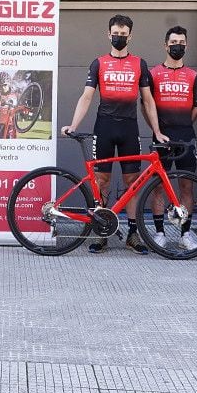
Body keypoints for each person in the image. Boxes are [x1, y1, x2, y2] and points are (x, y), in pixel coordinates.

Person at [62, 14, 165, 254]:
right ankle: (102, 232)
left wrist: (157, 131)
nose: (119, 37)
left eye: (123, 34)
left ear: (130, 35)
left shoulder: (139, 64)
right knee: (102, 182)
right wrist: (73, 124)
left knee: (132, 183)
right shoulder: (98, 63)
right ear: (109, 35)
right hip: (104, 127)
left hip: (129, 128)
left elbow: (148, 101)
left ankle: (132, 234)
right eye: (115, 34)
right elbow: (86, 96)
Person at [147, 26, 197, 250]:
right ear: (165, 45)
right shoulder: (153, 73)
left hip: (185, 135)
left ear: (186, 45)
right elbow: (147, 105)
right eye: (173, 42)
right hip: (160, 136)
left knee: (186, 187)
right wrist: (157, 128)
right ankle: (160, 232)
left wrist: (182, 124)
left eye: (181, 42)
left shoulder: (193, 75)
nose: (177, 46)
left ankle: (186, 233)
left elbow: (196, 109)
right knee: (158, 186)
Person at [0, 72, 19, 140]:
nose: (3, 87)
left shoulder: (15, 95)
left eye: (5, 85)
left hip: (11, 125)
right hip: (0, 125)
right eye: (0, 85)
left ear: (9, 83)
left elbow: (19, 109)